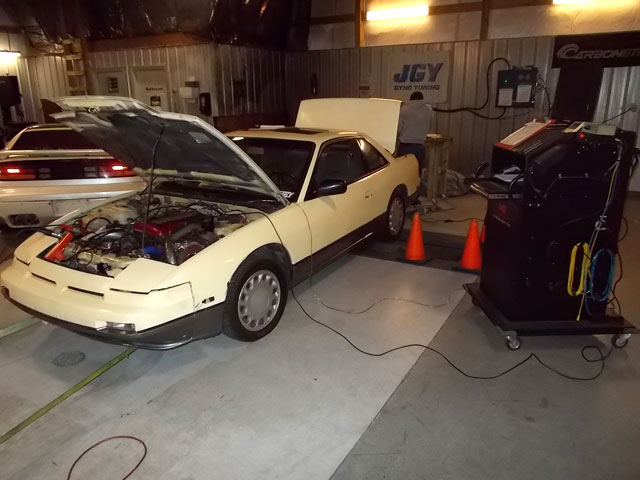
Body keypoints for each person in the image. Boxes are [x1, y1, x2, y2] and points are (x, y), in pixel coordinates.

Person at [397, 91, 433, 197]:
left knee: (402, 174)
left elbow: (399, 128)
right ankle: (415, 196)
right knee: (417, 174)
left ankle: (403, 197)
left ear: (411, 99)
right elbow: (430, 126)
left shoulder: (404, 110)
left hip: (405, 146)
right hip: (419, 146)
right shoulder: (429, 110)